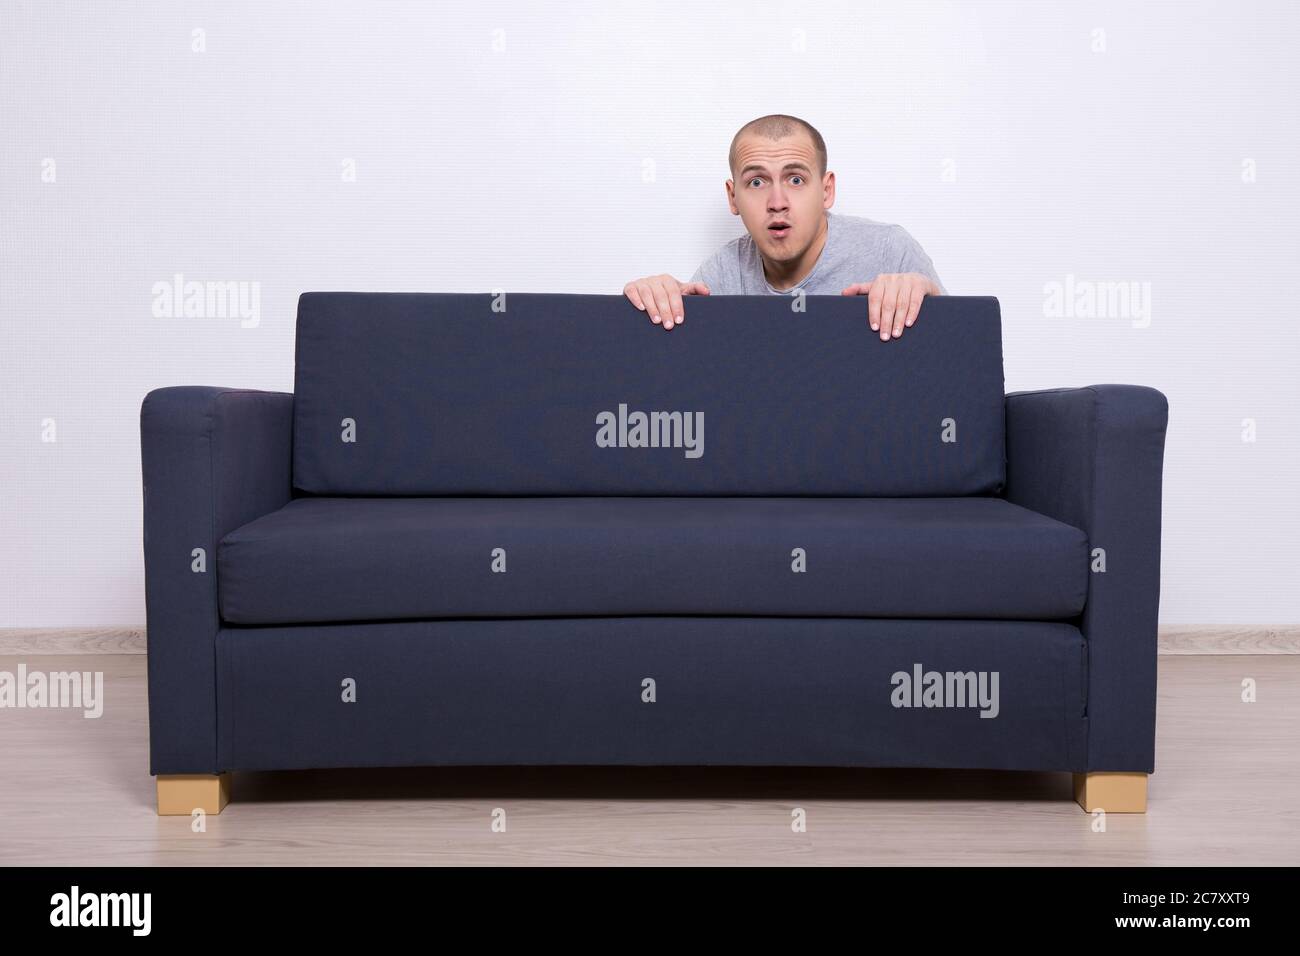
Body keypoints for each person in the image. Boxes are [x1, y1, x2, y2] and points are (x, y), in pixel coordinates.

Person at [624, 114, 944, 342]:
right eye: (757, 181)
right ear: (733, 197)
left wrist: (933, 304)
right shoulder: (721, 275)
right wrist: (649, 307)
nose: (777, 202)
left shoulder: (889, 250)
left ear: (826, 190)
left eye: (795, 179)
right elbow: (685, 382)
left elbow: (956, 361)